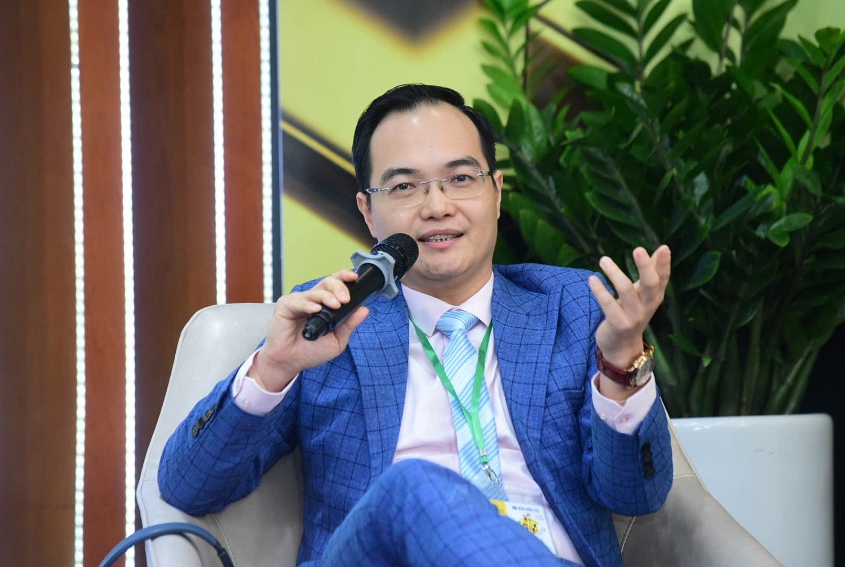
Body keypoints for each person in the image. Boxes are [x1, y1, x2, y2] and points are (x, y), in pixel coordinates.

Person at [159, 84, 673, 566]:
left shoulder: (573, 307)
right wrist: (274, 368)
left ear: (496, 193)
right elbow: (189, 486)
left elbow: (636, 495)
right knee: (414, 487)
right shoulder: (331, 317)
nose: (437, 207)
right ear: (368, 211)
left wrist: (621, 364)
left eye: (461, 179)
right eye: (405, 186)